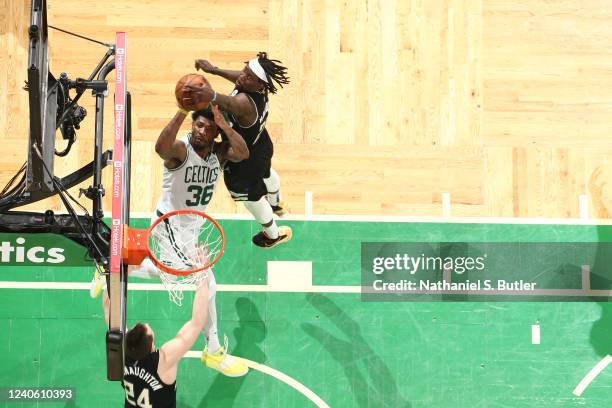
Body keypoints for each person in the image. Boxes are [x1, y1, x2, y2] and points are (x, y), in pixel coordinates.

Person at [92, 100, 249, 378]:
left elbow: (243, 152)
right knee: (205, 280)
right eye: (198, 125)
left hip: (192, 227)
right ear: (192, 125)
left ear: (215, 134)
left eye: (208, 128)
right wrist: (181, 110)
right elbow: (160, 148)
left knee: (170, 274)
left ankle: (112, 267)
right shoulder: (180, 151)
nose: (201, 130)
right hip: (171, 226)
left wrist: (224, 125)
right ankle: (212, 349)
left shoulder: (218, 153)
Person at [185, 52, 292, 248]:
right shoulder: (257, 87)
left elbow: (227, 102)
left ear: (259, 84)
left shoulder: (243, 103)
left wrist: (205, 94)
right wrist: (213, 70)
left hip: (244, 162)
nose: (242, 76)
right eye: (245, 71)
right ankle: (277, 203)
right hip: (261, 144)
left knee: (254, 202)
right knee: (267, 173)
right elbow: (240, 77)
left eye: (249, 76)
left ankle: (273, 234)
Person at [101, 277, 209, 407]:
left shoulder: (121, 348)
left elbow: (108, 305)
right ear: (152, 345)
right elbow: (197, 322)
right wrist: (201, 277)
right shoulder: (163, 361)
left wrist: (114, 274)